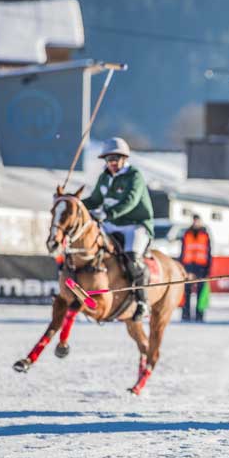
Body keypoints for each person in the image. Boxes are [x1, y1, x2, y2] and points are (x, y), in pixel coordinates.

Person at [82, 137, 154, 321]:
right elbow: (94, 200)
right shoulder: (104, 177)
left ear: (124, 158)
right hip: (112, 224)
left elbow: (130, 201)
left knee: (132, 258)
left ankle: (142, 302)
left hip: (136, 225)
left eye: (115, 159)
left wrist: (108, 213)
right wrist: (73, 204)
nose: (112, 163)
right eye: (108, 159)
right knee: (94, 251)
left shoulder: (134, 175)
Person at [179, 215, 213, 322]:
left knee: (201, 293)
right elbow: (183, 251)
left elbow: (208, 252)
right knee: (186, 292)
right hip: (188, 267)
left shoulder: (205, 235)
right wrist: (182, 267)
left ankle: (199, 315)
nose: (196, 223)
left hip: (201, 267)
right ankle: (186, 315)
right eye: (194, 221)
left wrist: (208, 269)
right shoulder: (187, 234)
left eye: (198, 221)